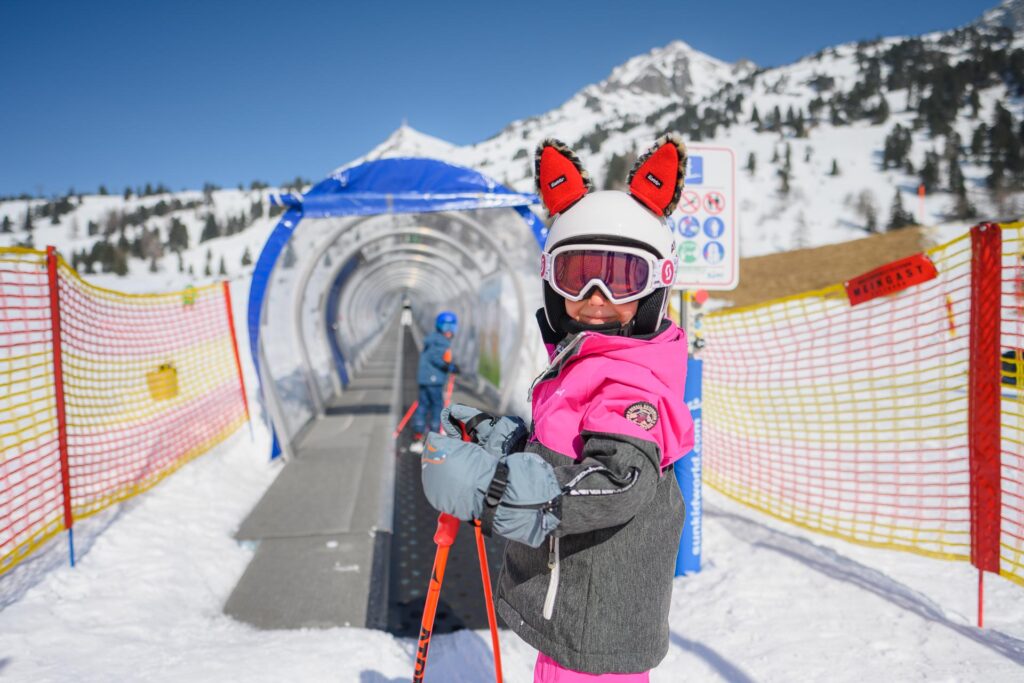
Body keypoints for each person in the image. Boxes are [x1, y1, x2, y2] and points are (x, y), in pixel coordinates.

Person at [420, 136, 694, 681]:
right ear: (552, 280)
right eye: (577, 275)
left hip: (597, 632)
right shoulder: (586, 362)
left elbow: (618, 481)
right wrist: (510, 444)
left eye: (620, 278)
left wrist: (494, 485)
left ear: (656, 284)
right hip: (571, 611)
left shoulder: (630, 381)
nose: (596, 294)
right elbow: (571, 453)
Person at [408, 310, 459, 454]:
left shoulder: (432, 338)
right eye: (445, 326)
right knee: (437, 406)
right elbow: (436, 358)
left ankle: (418, 435)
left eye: (451, 327)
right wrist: (450, 367)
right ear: (439, 326)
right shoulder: (440, 341)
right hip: (434, 379)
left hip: (424, 379)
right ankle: (435, 436)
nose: (448, 330)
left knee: (423, 405)